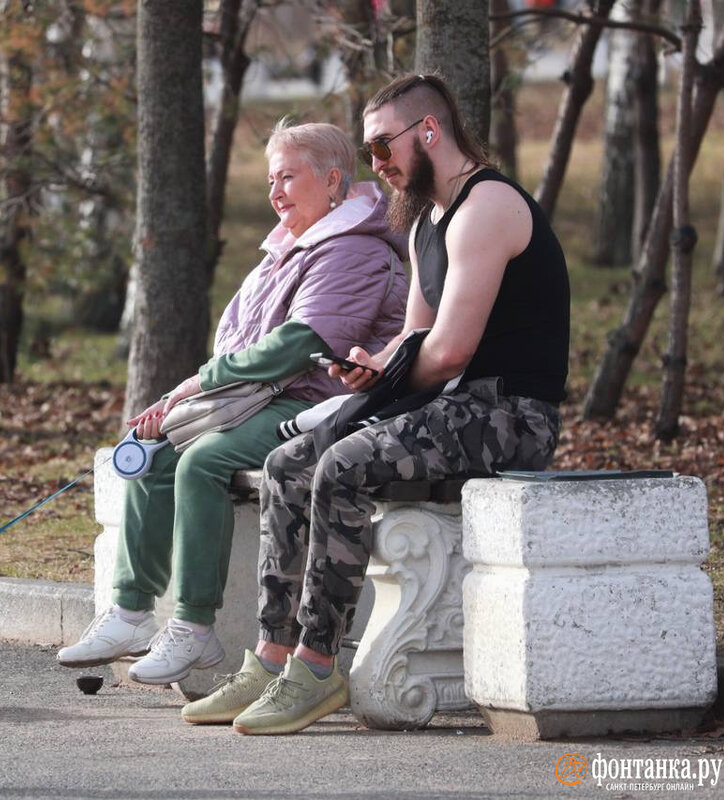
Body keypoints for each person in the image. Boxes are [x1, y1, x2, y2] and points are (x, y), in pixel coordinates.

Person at [184, 73, 570, 734]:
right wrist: (371, 367)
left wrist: (395, 369)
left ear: (428, 131)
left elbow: (448, 352)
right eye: (369, 154)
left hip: (509, 417)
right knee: (288, 463)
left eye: (381, 147)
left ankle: (317, 666)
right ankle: (272, 658)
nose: (378, 165)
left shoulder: (488, 206)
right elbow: (413, 341)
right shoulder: (425, 221)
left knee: (343, 463)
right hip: (448, 410)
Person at [57, 120, 409, 685]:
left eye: (289, 177)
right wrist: (183, 402)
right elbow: (250, 348)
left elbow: (301, 346)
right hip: (265, 398)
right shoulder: (289, 250)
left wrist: (194, 386)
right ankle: (129, 611)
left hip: (323, 405)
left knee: (204, 460)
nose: (275, 193)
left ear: (334, 179)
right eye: (272, 179)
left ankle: (195, 629)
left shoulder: (354, 251)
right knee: (156, 451)